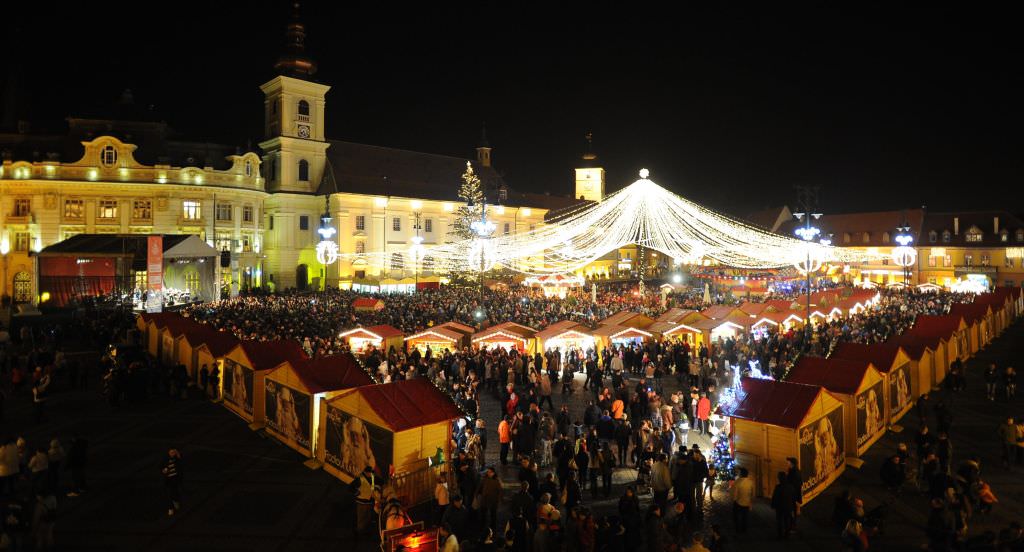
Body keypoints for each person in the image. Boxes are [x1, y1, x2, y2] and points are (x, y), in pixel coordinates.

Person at [770, 471, 796, 539]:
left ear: (779, 478)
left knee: (779, 521)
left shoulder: (778, 487)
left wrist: (773, 505)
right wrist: (793, 507)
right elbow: (793, 497)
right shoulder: (791, 486)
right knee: (786, 520)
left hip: (780, 507)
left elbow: (775, 497)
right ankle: (787, 534)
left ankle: (780, 535)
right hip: (788, 507)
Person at [352, 465, 378, 536]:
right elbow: (351, 488)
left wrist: (375, 497)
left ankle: (366, 531)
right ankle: (359, 533)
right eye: (369, 473)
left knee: (368, 517)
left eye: (371, 473)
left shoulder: (372, 477)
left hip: (369, 502)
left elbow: (372, 488)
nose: (370, 474)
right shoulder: (360, 479)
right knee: (361, 518)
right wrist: (357, 492)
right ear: (365, 472)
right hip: (361, 502)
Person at [478, 466, 503, 532]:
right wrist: (478, 493)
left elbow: (500, 492)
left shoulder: (497, 481)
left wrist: (499, 500)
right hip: (485, 499)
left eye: (490, 472)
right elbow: (480, 486)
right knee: (483, 513)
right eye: (488, 472)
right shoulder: (485, 478)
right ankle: (483, 526)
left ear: (493, 473)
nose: (488, 473)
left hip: (493, 500)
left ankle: (493, 527)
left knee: (493, 514)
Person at [731, 467, 754, 534]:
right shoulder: (750, 482)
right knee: (745, 517)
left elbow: (735, 494)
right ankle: (744, 529)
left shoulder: (737, 482)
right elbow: (753, 493)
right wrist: (750, 501)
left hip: (738, 502)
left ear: (741, 474)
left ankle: (737, 529)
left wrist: (734, 500)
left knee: (736, 517)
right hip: (747, 502)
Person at [162, 449, 183, 516]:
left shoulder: (176, 459)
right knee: (169, 494)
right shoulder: (165, 459)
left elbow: (181, 465)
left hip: (175, 479)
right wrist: (163, 470)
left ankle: (176, 501)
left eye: (174, 452)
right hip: (168, 480)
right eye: (171, 452)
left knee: (175, 492)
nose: (172, 454)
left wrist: (178, 456)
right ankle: (170, 508)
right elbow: (160, 467)